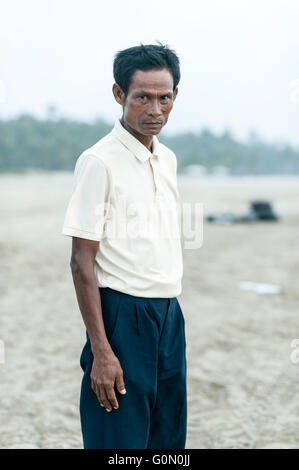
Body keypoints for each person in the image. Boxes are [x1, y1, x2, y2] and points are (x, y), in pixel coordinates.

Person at [61, 42, 187, 449]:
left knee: (166, 439)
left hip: (169, 315)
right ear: (119, 95)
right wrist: (101, 349)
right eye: (143, 98)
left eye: (164, 98)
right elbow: (82, 261)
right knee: (118, 441)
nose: (155, 110)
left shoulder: (166, 159)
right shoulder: (99, 161)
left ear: (175, 97)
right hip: (121, 314)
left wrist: (168, 321)